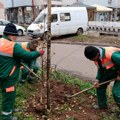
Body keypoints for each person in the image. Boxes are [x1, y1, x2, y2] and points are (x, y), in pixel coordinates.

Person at [0, 23, 44, 120]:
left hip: (3, 74)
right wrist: (39, 53)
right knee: (8, 97)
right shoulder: (13, 46)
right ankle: (6, 116)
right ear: (11, 35)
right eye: (15, 36)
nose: (16, 38)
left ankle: (11, 109)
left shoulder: (1, 41)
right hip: (8, 76)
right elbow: (27, 56)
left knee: (9, 95)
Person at [84, 45, 120, 110]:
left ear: (97, 54)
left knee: (117, 93)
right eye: (90, 59)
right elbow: (100, 69)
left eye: (92, 59)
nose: (92, 60)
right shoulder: (96, 59)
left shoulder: (111, 54)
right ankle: (102, 105)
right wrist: (97, 79)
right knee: (100, 86)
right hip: (110, 71)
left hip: (118, 71)